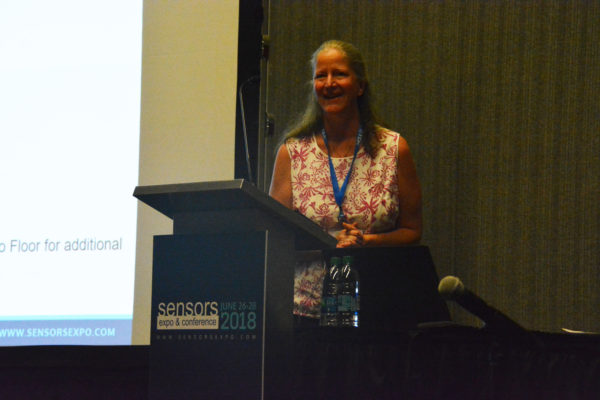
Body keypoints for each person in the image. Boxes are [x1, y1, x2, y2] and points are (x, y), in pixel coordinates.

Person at [269, 40, 422, 320]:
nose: (329, 83)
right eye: (320, 76)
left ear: (360, 86)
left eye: (339, 74)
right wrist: (328, 241)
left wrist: (368, 241)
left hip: (378, 308)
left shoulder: (394, 148)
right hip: (302, 312)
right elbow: (275, 237)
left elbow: (412, 231)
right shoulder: (291, 152)